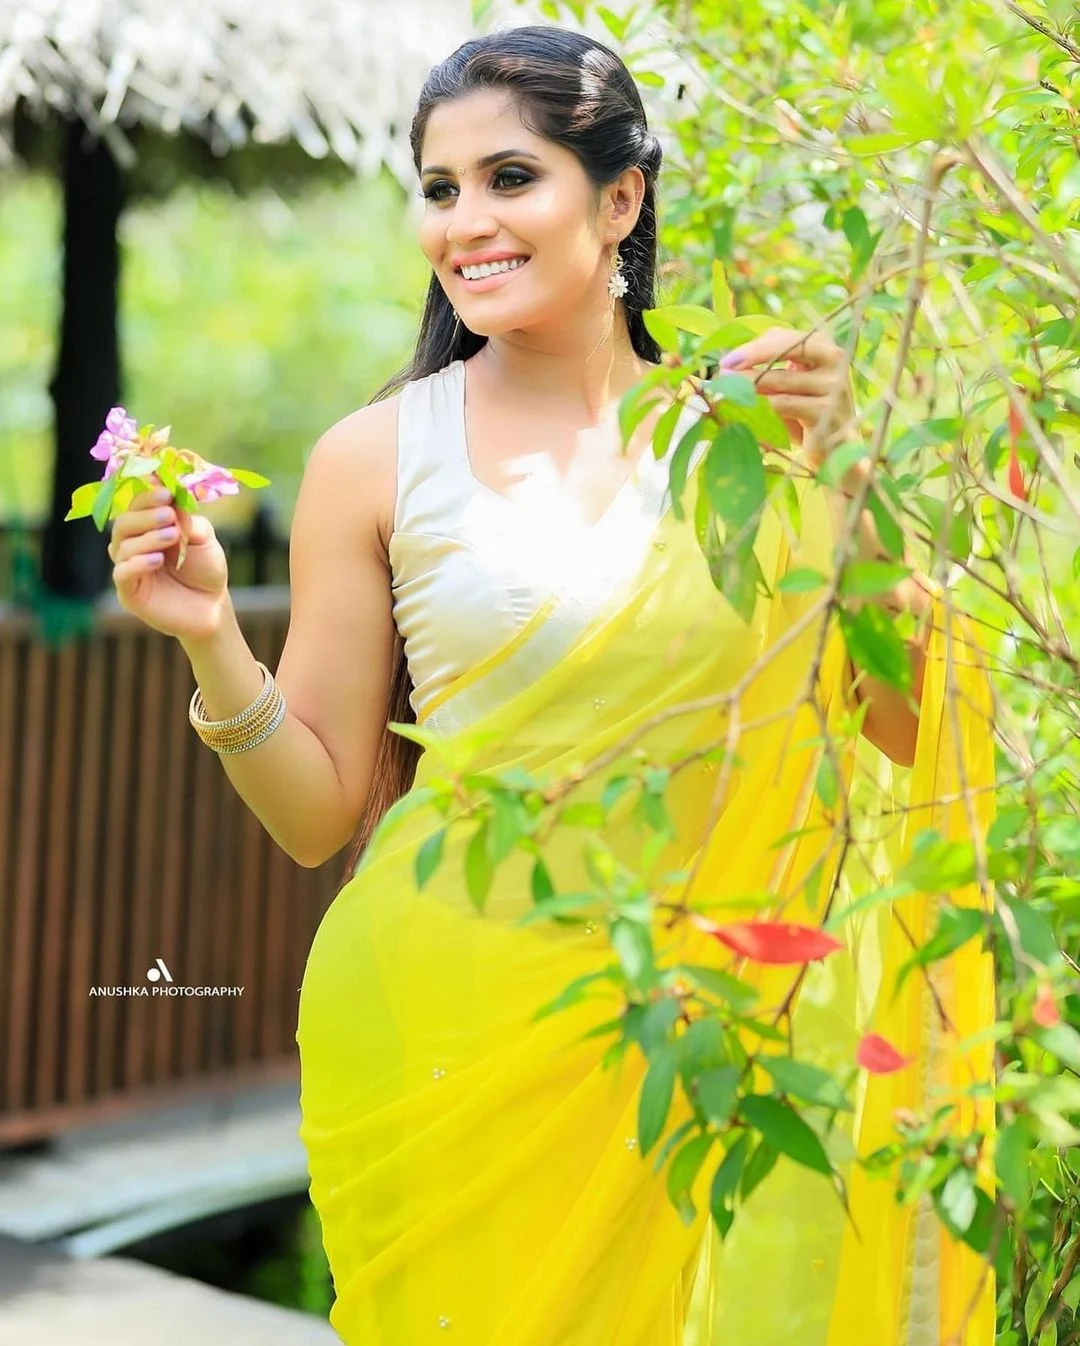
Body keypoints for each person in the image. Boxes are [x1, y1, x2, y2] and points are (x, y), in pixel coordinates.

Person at [106, 24, 997, 1346]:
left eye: (510, 178)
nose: (466, 221)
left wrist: (846, 477)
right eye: (440, 187)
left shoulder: (744, 439)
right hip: (441, 1027)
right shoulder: (374, 458)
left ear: (620, 199)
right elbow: (315, 815)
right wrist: (209, 637)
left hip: (703, 1039)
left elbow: (919, 729)